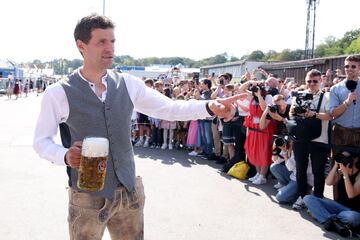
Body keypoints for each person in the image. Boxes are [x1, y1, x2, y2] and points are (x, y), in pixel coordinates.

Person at [33, 14, 242, 240]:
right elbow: (41, 141)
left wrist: (209, 106)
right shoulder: (58, 92)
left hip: (129, 192)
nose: (109, 48)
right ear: (81, 46)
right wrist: (65, 156)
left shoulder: (128, 84)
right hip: (86, 197)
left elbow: (169, 109)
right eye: (101, 42)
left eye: (112, 41)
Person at [290, 69, 333, 210]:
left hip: (320, 139)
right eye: (309, 81)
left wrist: (312, 114)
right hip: (301, 137)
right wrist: (296, 112)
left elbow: (330, 116)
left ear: (321, 81)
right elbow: (291, 113)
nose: (312, 84)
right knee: (300, 170)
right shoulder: (300, 94)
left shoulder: (327, 96)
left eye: (315, 81)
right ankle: (303, 197)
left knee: (318, 171)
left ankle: (317, 201)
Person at [304, 151, 360, 237]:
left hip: (352, 211)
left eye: (346, 158)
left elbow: (351, 194)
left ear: (355, 159)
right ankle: (336, 223)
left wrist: (345, 175)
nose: (343, 160)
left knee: (352, 217)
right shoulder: (341, 171)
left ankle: (326, 218)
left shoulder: (358, 175)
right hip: (337, 207)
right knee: (308, 198)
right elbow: (328, 182)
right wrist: (335, 165)